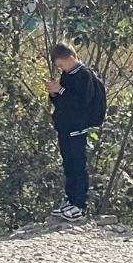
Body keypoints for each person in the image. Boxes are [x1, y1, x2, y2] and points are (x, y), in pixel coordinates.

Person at [45, 42, 97, 222]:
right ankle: (70, 200)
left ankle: (80, 205)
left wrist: (61, 90)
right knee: (68, 164)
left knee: (78, 165)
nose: (61, 69)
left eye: (61, 65)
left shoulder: (84, 76)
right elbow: (62, 102)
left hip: (77, 127)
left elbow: (81, 103)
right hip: (65, 127)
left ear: (70, 58)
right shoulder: (66, 76)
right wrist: (54, 93)